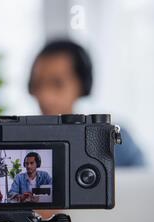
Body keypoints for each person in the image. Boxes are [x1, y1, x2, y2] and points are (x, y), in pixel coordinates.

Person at [28, 39, 145, 167]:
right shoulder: (23, 139)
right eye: (37, 83)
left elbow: (142, 183)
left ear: (82, 85)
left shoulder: (112, 139)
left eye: (57, 83)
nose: (45, 96)